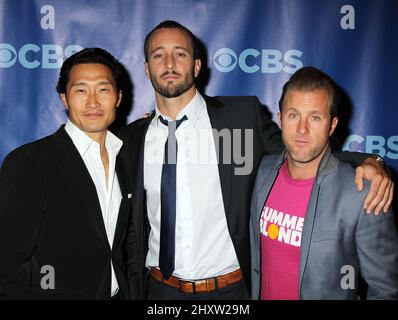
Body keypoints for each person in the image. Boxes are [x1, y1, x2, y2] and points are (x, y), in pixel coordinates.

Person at [118, 20, 393, 300]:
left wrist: (371, 160)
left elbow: (300, 149)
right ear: (146, 68)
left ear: (197, 65)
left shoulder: (240, 118)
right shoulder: (131, 140)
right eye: (158, 54)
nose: (169, 63)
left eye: (180, 53)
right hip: (159, 292)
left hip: (230, 292)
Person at [250, 66, 398, 300]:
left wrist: (377, 162)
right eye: (293, 115)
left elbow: (386, 291)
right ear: (280, 119)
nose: (302, 129)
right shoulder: (262, 171)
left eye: (315, 117)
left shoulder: (364, 194)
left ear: (332, 125)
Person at [0, 48, 132, 299]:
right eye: (81, 90)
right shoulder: (29, 162)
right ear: (64, 98)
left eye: (103, 89)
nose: (93, 102)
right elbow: (7, 260)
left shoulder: (124, 159)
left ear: (118, 97)